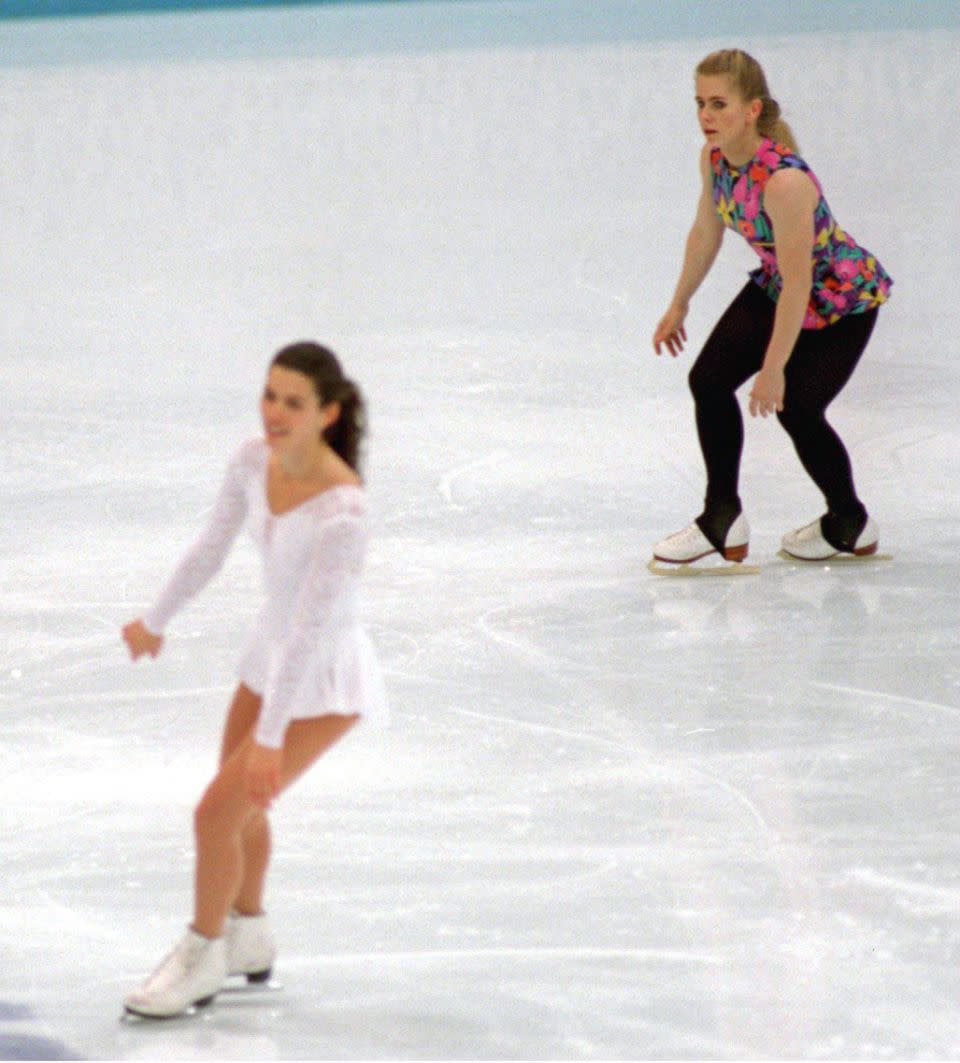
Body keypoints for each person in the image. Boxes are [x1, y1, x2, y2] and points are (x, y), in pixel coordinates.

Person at [121, 341, 388, 1018]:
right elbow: (210, 546)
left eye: (292, 402)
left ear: (327, 413)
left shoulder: (343, 513)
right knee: (239, 815)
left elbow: (311, 628)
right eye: (270, 395)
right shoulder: (250, 458)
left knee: (216, 813)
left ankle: (202, 951)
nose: (274, 412)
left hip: (322, 681)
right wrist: (157, 619)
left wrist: (271, 738)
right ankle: (248, 932)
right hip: (267, 657)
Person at [651, 48, 892, 566]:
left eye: (719, 104)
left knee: (798, 409)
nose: (706, 116)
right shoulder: (714, 160)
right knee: (708, 381)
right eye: (700, 103)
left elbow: (802, 283)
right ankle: (722, 518)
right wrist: (679, 303)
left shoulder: (785, 182)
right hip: (781, 283)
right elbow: (706, 230)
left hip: (841, 299)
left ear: (752, 109)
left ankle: (849, 521)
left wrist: (775, 369)